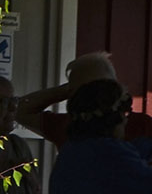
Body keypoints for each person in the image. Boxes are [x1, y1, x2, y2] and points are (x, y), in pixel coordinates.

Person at [48, 79, 152, 194]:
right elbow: (146, 180)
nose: (126, 120)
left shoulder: (72, 148)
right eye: (124, 113)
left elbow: (137, 151)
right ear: (113, 118)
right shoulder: (111, 152)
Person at [17, 51, 152, 147]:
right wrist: (65, 90)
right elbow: (20, 110)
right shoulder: (69, 126)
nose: (92, 96)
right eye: (83, 91)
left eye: (100, 88)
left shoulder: (144, 127)